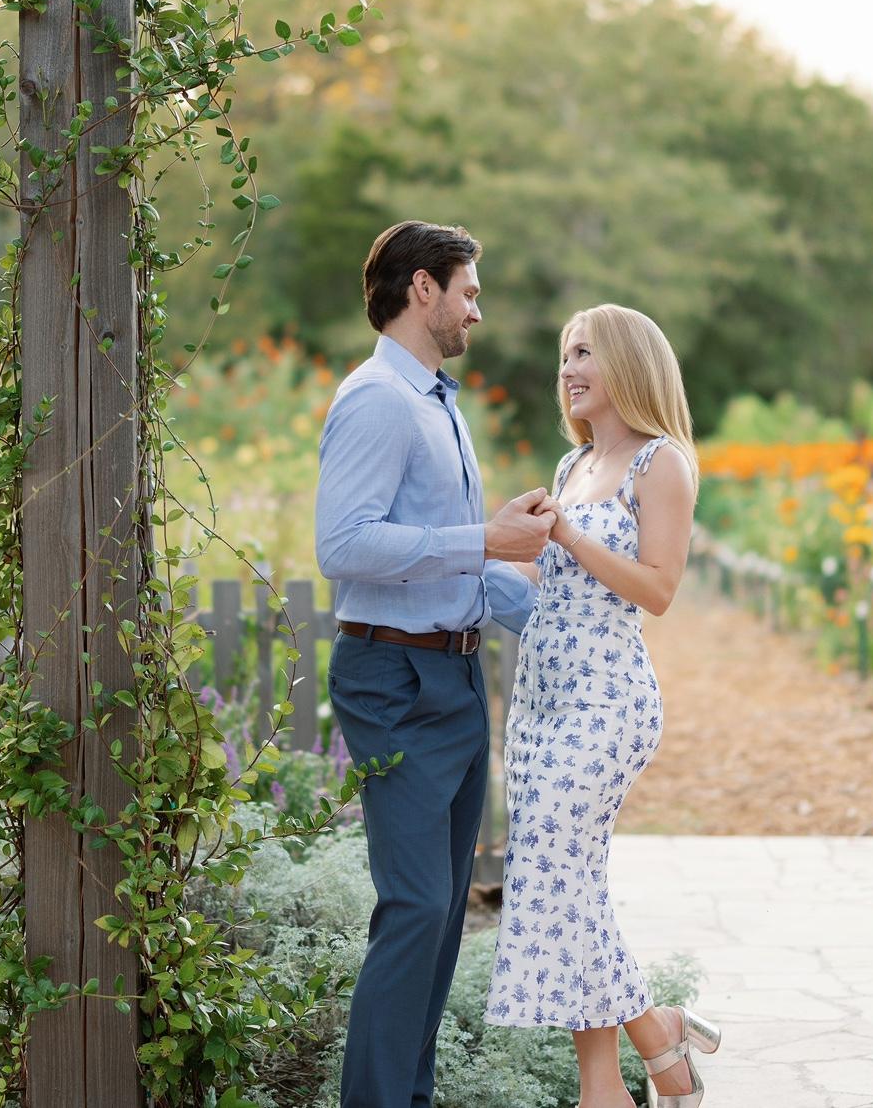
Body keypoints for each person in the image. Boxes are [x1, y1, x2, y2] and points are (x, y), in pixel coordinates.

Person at [315, 220, 555, 1108]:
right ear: (424, 289)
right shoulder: (378, 399)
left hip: (454, 674)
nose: (477, 311)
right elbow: (343, 546)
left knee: (446, 914)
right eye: (469, 292)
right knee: (415, 907)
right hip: (395, 679)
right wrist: (486, 537)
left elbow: (455, 564)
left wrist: (564, 615)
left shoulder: (437, 403)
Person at [484, 303, 721, 1108]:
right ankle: (619, 1075)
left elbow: (658, 588)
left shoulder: (662, 463)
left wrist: (569, 539)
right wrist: (476, 554)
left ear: (627, 363)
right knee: (565, 883)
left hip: (607, 701)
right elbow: (543, 584)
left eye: (584, 352)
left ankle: (644, 1050)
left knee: (558, 874)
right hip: (540, 700)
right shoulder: (570, 465)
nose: (568, 368)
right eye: (565, 355)